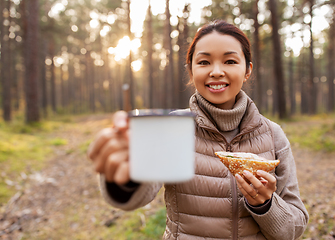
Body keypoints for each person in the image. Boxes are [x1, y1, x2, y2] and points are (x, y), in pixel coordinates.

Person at [87, 20, 309, 240]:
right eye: (204, 62)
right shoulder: (173, 129)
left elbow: (294, 227)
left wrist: (266, 204)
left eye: (230, 61)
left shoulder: (273, 134)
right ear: (191, 71)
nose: (216, 72)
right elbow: (138, 197)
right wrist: (127, 172)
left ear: (247, 70)